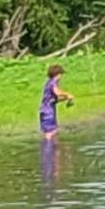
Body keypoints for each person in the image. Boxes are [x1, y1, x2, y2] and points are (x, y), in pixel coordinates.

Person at [38, 62, 65, 191]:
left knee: (53, 132)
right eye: (61, 75)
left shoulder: (48, 83)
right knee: (50, 133)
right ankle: (48, 153)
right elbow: (57, 92)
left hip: (48, 110)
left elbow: (54, 98)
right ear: (57, 74)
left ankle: (51, 152)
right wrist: (67, 94)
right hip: (47, 112)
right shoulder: (53, 83)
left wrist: (64, 99)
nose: (61, 77)